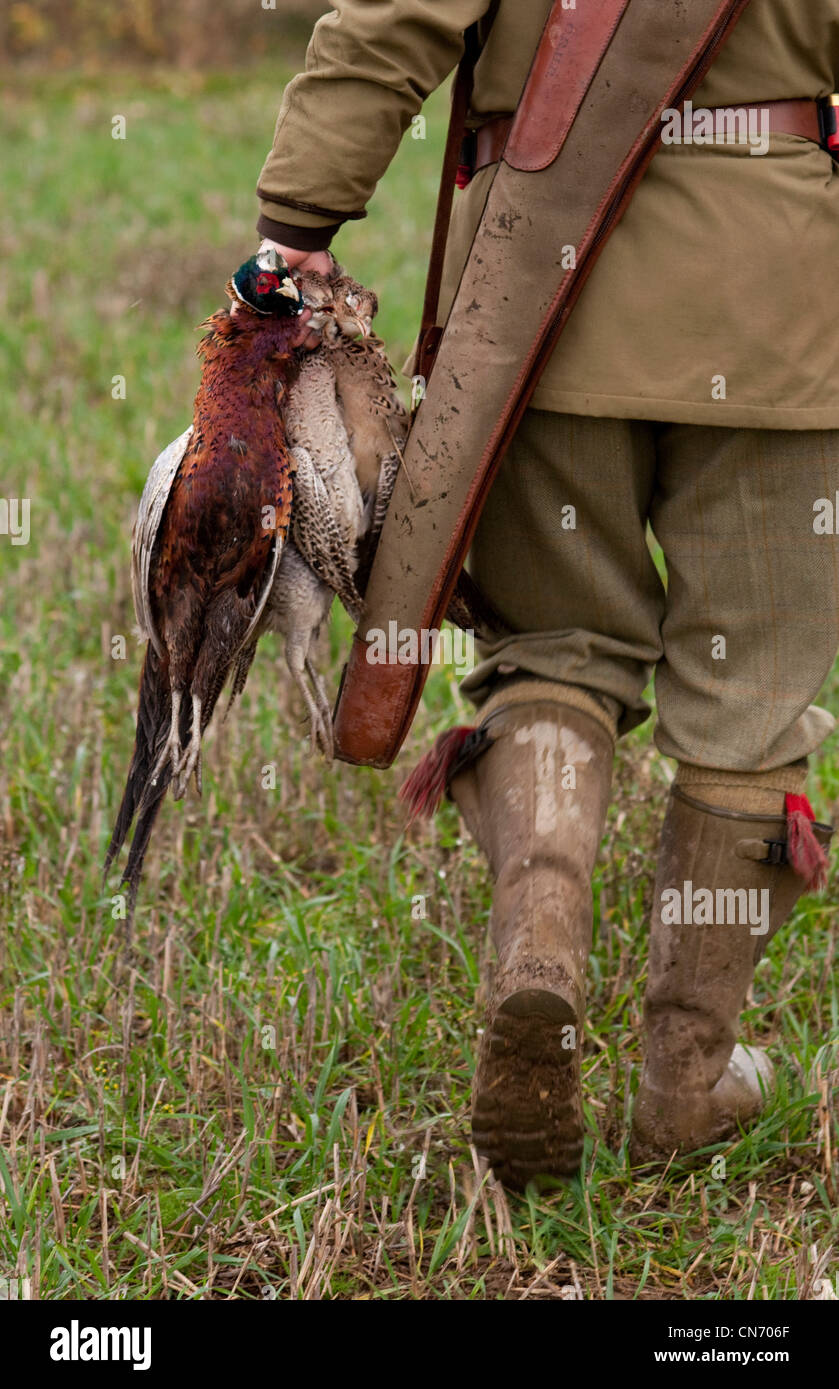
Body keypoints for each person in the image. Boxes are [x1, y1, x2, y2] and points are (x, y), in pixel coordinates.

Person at [249, 0, 838, 1184]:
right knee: (748, 696)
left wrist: (297, 222)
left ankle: (537, 958)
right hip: (780, 304)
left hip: (538, 305)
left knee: (553, 648)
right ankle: (683, 1084)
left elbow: (392, 20)